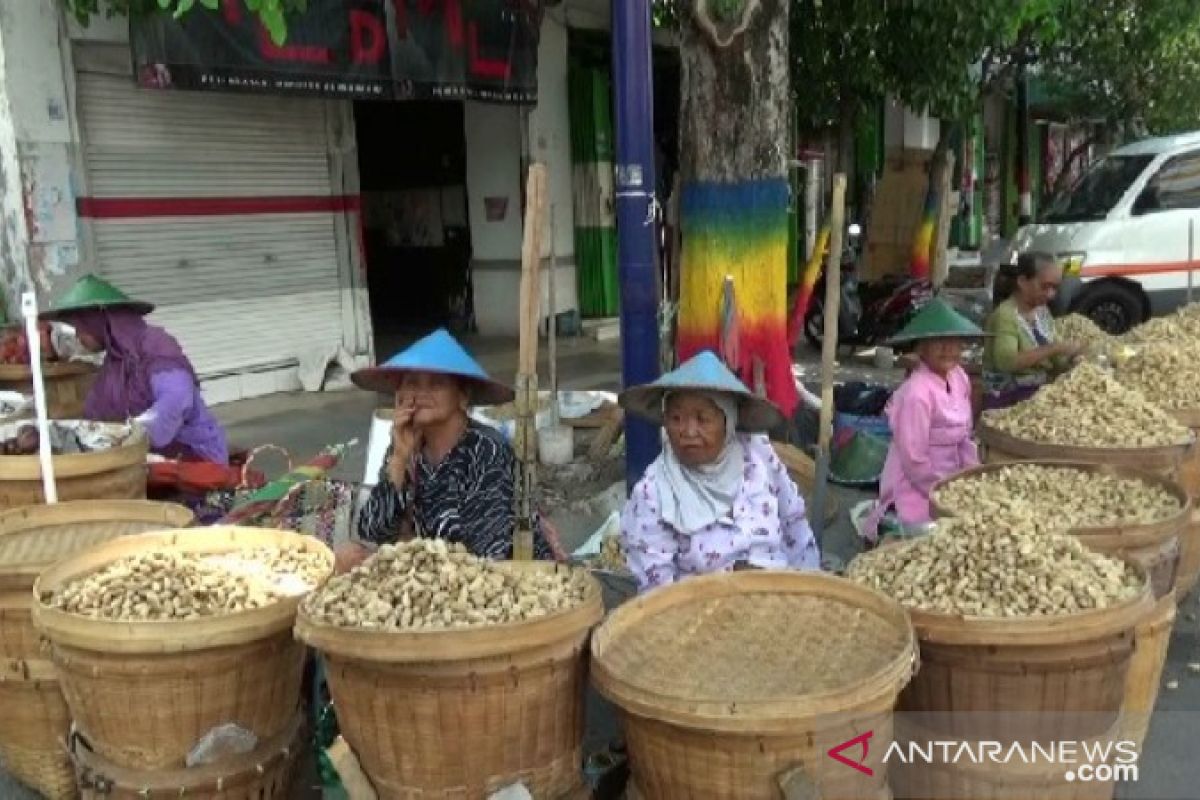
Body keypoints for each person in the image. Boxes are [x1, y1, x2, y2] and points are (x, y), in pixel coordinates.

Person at [336, 329, 551, 572]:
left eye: (437, 383)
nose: (421, 393)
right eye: (412, 383)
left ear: (462, 397)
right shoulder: (406, 445)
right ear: (400, 396)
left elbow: (486, 554)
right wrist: (398, 460)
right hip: (432, 570)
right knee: (347, 557)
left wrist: (409, 560)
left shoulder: (487, 450)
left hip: (490, 578)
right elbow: (373, 531)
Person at [619, 351, 820, 593]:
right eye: (675, 418)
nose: (688, 431)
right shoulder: (653, 492)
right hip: (703, 616)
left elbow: (794, 523)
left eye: (702, 419)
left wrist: (809, 591)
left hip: (778, 601)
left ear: (729, 421)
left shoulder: (757, 454)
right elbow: (658, 593)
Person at [42, 274, 228, 464]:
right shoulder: (114, 362)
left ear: (98, 322)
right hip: (145, 460)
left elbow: (176, 398)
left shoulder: (155, 345)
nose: (78, 337)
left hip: (194, 458)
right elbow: (97, 416)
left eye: (81, 328)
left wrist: (136, 433)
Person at [864, 299, 987, 539]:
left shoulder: (959, 377)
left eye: (955, 342)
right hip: (918, 485)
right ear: (921, 348)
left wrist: (971, 479)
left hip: (952, 477)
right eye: (939, 342)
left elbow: (965, 436)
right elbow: (914, 459)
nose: (949, 349)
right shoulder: (916, 393)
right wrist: (941, 493)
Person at [982, 252, 1083, 410]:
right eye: (1044, 286)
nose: (1050, 294)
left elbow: (1055, 360)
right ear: (1022, 281)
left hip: (1035, 395)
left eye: (1055, 288)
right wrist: (1054, 348)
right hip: (1006, 400)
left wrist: (1073, 360)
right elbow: (1007, 362)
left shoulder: (1042, 312)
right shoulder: (1006, 315)